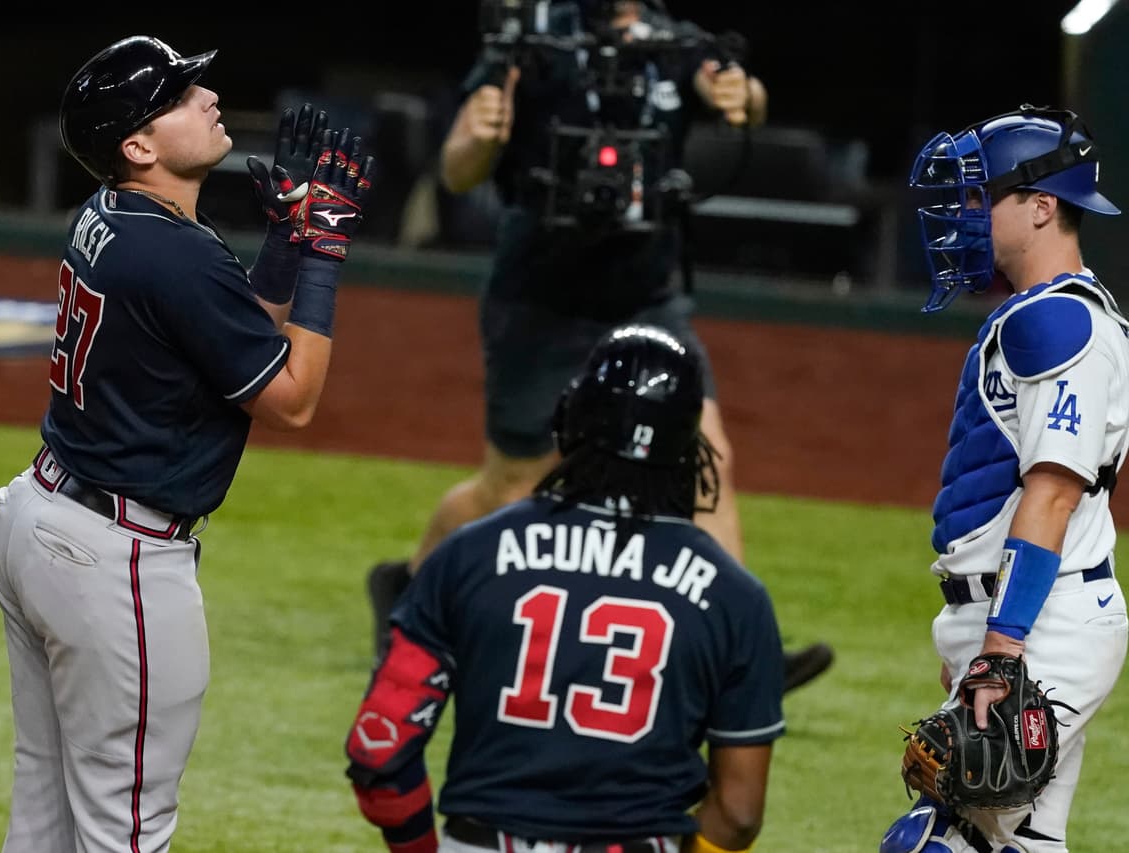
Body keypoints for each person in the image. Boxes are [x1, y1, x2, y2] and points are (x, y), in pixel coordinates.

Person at [366, 0, 833, 693]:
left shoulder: (673, 42)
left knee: (706, 460)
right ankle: (406, 590)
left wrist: (743, 93)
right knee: (512, 482)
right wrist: (483, 136)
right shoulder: (532, 41)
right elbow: (459, 169)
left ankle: (738, 656)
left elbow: (740, 94)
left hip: (647, 292)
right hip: (541, 296)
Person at [0, 35, 374, 852]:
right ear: (139, 146)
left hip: (42, 516)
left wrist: (286, 242)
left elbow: (230, 334)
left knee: (46, 811)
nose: (208, 97)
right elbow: (292, 399)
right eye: (181, 96)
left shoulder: (114, 215)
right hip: (112, 556)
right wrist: (326, 251)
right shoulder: (172, 252)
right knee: (128, 827)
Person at [345, 323, 784, 853]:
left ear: (571, 421)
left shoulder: (469, 554)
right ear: (691, 449)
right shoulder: (735, 596)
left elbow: (380, 752)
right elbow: (738, 813)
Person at [881, 105, 1129, 853]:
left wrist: (998, 645)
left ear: (1043, 206)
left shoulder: (1062, 324)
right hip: (1026, 618)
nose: (966, 215)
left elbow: (1053, 492)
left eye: (982, 196)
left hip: (1041, 625)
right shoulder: (1042, 316)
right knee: (1025, 844)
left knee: (933, 843)